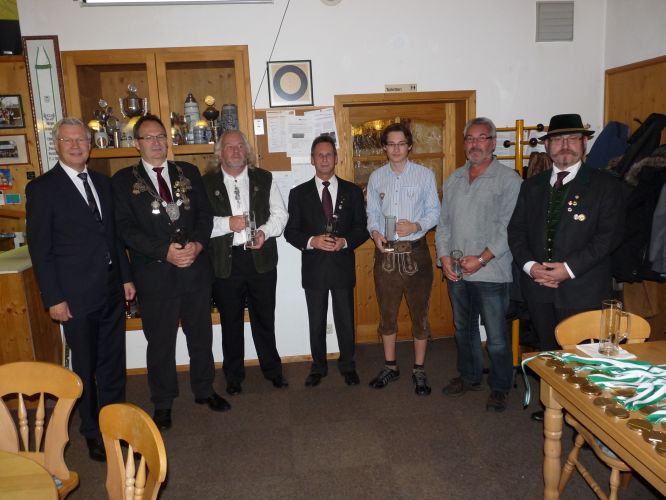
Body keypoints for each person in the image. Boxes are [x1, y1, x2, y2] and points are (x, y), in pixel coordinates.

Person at [26, 117, 135, 461]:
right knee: (85, 366)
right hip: (74, 297)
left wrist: (126, 278)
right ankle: (91, 431)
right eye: (68, 140)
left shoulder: (103, 183)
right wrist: (53, 298)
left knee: (113, 363)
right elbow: (41, 250)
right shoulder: (43, 189)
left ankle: (115, 421)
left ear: (90, 145)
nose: (76, 146)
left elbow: (114, 237)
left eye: (81, 140)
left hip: (111, 289)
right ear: (56, 145)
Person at [112, 114, 229, 431]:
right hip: (156, 276)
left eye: (160, 136)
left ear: (168, 140)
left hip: (194, 270)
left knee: (201, 337)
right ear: (137, 144)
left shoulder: (187, 172)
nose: (156, 142)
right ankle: (163, 402)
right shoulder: (123, 181)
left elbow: (205, 217)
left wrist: (198, 246)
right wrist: (164, 251)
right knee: (160, 342)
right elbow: (125, 229)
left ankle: (204, 389)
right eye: (148, 137)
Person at [507, 113, 625, 421]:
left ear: (584, 143)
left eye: (572, 139)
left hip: (582, 288)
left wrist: (568, 269)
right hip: (539, 288)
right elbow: (516, 232)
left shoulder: (605, 185)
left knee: (582, 355)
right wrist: (531, 267)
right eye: (558, 140)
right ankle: (553, 407)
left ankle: (583, 416)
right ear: (547, 146)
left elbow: (609, 237)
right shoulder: (531, 186)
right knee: (549, 349)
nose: (565, 146)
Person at [435, 117, 521, 412]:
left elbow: (509, 227)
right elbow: (443, 224)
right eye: (470, 139)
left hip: (492, 273)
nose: (475, 144)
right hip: (457, 272)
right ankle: (469, 376)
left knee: (496, 337)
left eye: (481, 138)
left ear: (493, 143)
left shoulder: (509, 180)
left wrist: (482, 258)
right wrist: (444, 258)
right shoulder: (454, 179)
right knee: (464, 330)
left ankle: (500, 386)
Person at [202, 130, 288, 396]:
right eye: (230, 147)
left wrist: (264, 232)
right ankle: (233, 376)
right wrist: (227, 223)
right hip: (225, 262)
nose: (236, 151)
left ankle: (272, 370)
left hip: (260, 260)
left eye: (240, 146)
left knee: (265, 318)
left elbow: (280, 214)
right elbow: (200, 224)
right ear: (220, 153)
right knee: (230, 321)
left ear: (247, 151)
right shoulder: (205, 184)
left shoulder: (264, 178)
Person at [284, 135, 368, 387]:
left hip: (342, 266)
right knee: (316, 321)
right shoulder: (298, 194)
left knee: (345, 320)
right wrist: (312, 241)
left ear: (336, 158)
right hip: (314, 268)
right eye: (319, 155)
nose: (324, 159)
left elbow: (362, 228)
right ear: (312, 159)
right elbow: (291, 232)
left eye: (328, 154)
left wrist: (345, 241)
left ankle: (347, 365)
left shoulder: (353, 191)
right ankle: (318, 366)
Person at [366, 123, 440, 395]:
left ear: (409, 146)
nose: (396, 149)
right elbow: (372, 213)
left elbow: (435, 211)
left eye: (401, 144)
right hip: (385, 253)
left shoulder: (424, 175)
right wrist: (375, 232)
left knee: (420, 314)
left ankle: (419, 369)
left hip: (416, 253)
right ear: (384, 148)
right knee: (387, 314)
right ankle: (390, 366)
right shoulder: (376, 177)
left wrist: (417, 225)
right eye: (390, 144)